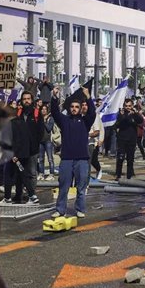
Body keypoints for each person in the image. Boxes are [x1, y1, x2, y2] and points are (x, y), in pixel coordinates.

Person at [50, 86, 95, 218]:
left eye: (77, 106)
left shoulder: (85, 121)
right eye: (72, 106)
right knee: (63, 187)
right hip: (67, 159)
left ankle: (80, 209)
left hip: (82, 159)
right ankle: (60, 209)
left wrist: (88, 96)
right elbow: (55, 113)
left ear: (80, 108)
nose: (74, 108)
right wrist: (54, 97)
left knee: (81, 187)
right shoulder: (64, 121)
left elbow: (92, 113)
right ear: (69, 108)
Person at [113, 98, 143, 180]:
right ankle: (118, 174)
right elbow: (117, 124)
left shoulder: (134, 114)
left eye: (129, 106)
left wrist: (135, 114)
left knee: (130, 159)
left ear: (132, 106)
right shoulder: (121, 114)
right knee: (120, 158)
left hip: (131, 140)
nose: (128, 107)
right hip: (122, 139)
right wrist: (123, 116)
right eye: (126, 106)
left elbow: (140, 120)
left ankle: (129, 176)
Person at [83, 99, 103, 182]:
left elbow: (99, 130)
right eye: (82, 105)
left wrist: (101, 139)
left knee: (89, 162)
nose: (84, 107)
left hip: (90, 143)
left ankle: (85, 184)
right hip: (79, 144)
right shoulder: (79, 116)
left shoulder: (94, 116)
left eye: (86, 105)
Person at [37, 104, 56, 180]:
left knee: (50, 158)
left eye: (45, 109)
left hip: (48, 141)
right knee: (41, 159)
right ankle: (41, 174)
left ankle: (51, 174)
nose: (44, 110)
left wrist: (44, 121)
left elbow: (49, 128)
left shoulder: (50, 118)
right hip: (40, 141)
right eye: (42, 109)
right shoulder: (38, 118)